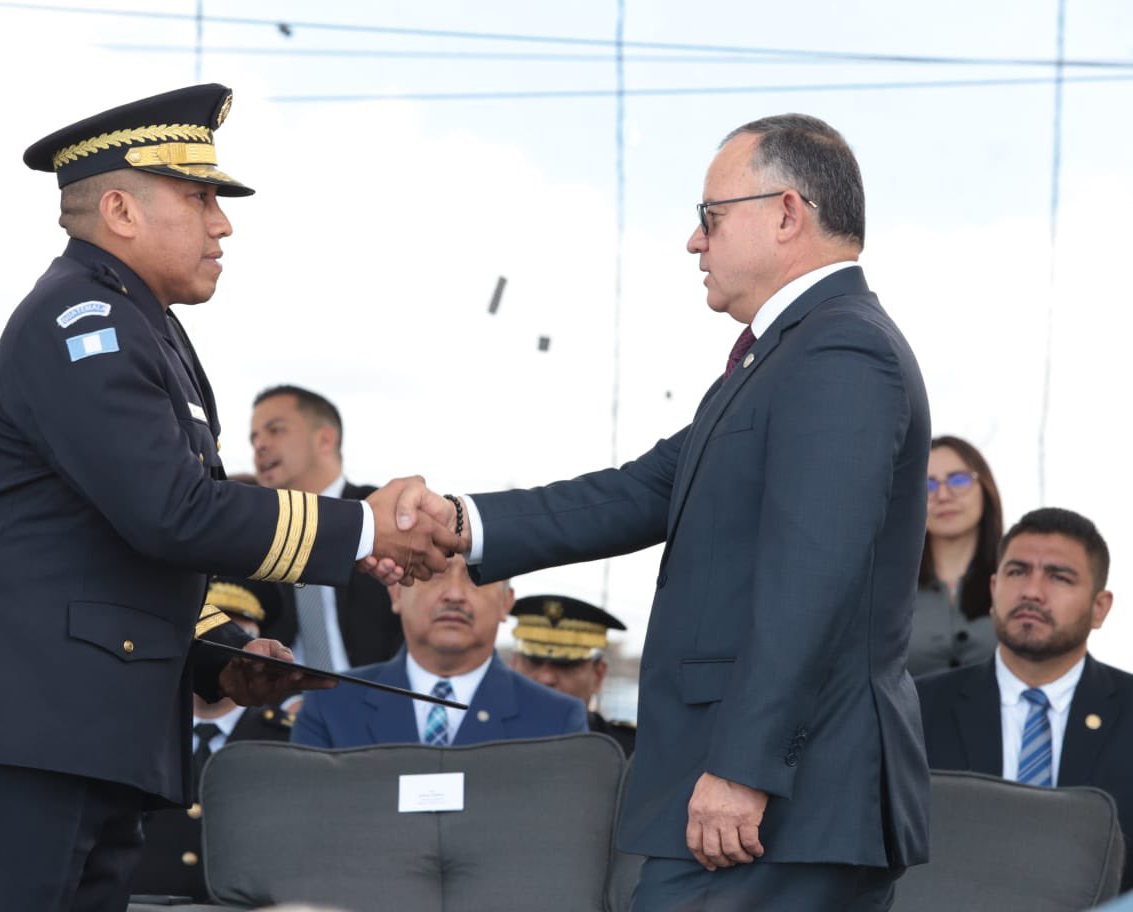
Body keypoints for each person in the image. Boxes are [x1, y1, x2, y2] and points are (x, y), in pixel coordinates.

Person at [0, 84, 457, 912]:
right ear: (119, 209)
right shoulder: (86, 322)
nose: (223, 223)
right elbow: (171, 510)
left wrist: (220, 652)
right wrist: (365, 523)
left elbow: (109, 549)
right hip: (30, 733)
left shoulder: (139, 325)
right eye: (200, 199)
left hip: (85, 732)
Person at [378, 114, 932, 909]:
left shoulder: (841, 352)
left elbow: (812, 581)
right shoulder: (786, 356)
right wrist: (458, 522)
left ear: (786, 213)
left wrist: (746, 767)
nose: (693, 243)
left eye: (710, 217)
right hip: (767, 799)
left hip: (781, 799)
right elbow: (640, 491)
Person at [915, 507, 1131, 893]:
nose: (1032, 591)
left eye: (1059, 577)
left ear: (1100, 608)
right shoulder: (915, 708)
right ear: (993, 588)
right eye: (1017, 572)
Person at [293, 556, 587, 748]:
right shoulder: (331, 706)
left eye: (478, 576)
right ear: (395, 593)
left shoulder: (557, 721)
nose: (455, 594)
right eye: (433, 573)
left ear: (506, 603)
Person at [131, 578, 294, 902]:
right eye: (209, 636)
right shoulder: (138, 731)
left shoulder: (285, 739)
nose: (224, 650)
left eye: (239, 635)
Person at [250, 385, 401, 670]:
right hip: (286, 709)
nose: (260, 445)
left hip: (384, 699)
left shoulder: (383, 517)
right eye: (254, 438)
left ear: (325, 439)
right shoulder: (253, 532)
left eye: (275, 430)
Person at [910, 436, 1003, 676]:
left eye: (958, 480)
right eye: (927, 485)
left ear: (985, 488)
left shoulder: (1019, 581)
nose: (943, 495)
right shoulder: (885, 587)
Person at [509, 594, 636, 756]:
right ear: (514, 664)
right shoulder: (479, 736)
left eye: (566, 665)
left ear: (598, 675)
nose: (546, 678)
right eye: (534, 661)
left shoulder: (627, 755)